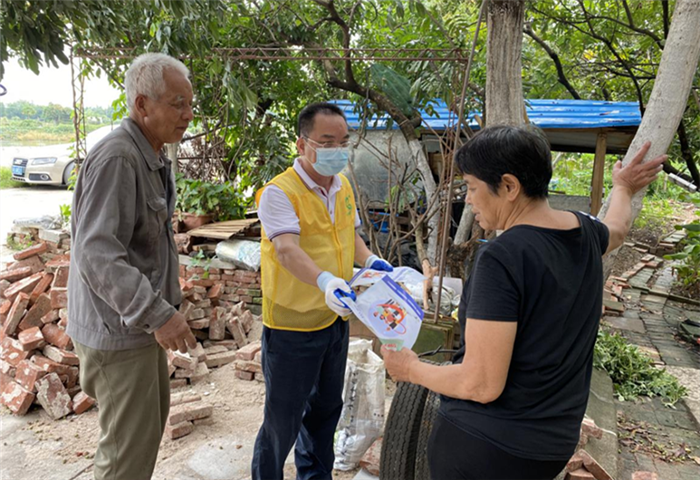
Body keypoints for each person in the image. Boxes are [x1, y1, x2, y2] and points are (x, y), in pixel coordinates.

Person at [381, 125, 667, 480]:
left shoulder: (503, 258)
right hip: (550, 446)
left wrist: (409, 370)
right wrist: (623, 187)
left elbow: (482, 384)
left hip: (487, 447)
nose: (468, 199)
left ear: (509, 186)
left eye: (471, 187)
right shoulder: (584, 232)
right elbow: (618, 228)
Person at [67, 53, 197, 480]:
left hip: (132, 329)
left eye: (189, 104)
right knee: (124, 458)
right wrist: (158, 314)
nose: (187, 114)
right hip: (118, 331)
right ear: (142, 105)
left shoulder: (151, 154)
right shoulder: (119, 158)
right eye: (177, 103)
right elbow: (97, 252)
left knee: (141, 439)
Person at [252, 102, 393, 480]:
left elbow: (352, 235)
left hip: (334, 317)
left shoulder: (343, 185)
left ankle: (315, 477)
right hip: (292, 326)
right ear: (302, 144)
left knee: (326, 410)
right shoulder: (279, 192)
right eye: (327, 141)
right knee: (282, 419)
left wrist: (369, 261)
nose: (337, 150)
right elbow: (286, 249)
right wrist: (326, 281)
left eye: (343, 141)